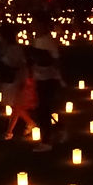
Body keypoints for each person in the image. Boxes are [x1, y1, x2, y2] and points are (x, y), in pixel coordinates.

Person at [29, 14, 65, 151]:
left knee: (43, 110)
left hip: (47, 80)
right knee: (45, 109)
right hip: (42, 78)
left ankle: (47, 142)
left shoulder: (46, 40)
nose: (32, 25)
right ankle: (59, 131)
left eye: (35, 23)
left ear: (42, 25)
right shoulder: (39, 39)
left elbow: (55, 60)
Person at [0, 25, 37, 139]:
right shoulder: (6, 47)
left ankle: (9, 132)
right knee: (17, 106)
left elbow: (20, 64)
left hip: (16, 79)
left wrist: (23, 80)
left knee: (17, 106)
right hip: (10, 79)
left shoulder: (14, 48)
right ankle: (30, 123)